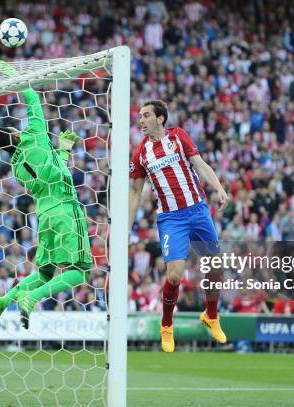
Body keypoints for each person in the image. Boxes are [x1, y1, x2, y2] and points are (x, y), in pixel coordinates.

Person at [0, 59, 92, 330]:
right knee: (80, 272)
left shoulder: (17, 168)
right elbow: (32, 97)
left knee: (44, 272)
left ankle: (2, 301)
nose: (20, 129)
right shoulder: (34, 136)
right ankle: (31, 299)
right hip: (66, 209)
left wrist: (63, 151)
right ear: (16, 137)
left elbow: (51, 172)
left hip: (44, 216)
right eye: (15, 130)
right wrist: (13, 75)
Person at [129, 100, 229, 352]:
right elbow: (135, 193)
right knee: (174, 274)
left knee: (216, 266)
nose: (141, 120)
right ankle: (166, 326)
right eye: (140, 116)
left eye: (146, 115)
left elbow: (201, 165)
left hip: (197, 209)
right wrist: (125, 228)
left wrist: (218, 188)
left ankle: (211, 315)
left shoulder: (178, 137)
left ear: (160, 118)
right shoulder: (141, 153)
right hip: (171, 218)